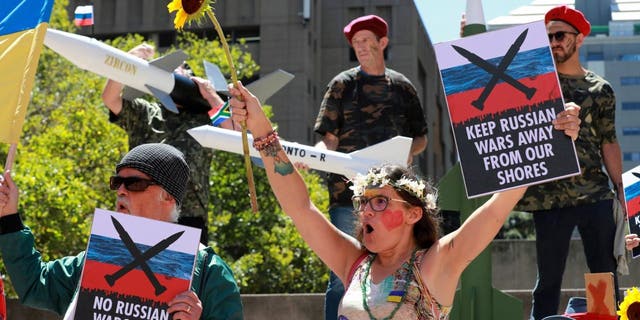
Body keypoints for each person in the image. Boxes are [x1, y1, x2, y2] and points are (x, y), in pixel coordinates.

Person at [227, 81, 580, 319]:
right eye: (363, 202)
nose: (365, 210)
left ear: (413, 214)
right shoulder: (354, 265)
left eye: (380, 202)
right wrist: (260, 127)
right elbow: (300, 208)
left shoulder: (436, 265)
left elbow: (496, 209)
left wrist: (551, 137)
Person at [0, 143, 243, 320]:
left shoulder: (211, 272)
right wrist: (8, 216)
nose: (121, 191)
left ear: (167, 196)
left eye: (135, 184)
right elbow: (35, 284)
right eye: (117, 183)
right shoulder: (96, 258)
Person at [313, 14, 428, 319]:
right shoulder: (341, 85)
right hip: (346, 196)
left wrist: (405, 155)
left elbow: (422, 139)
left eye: (366, 41)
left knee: (400, 269)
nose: (361, 47)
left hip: (394, 198)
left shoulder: (403, 88)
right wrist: (313, 155)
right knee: (342, 273)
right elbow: (329, 139)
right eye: (356, 43)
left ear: (383, 42)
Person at [514, 6, 625, 319]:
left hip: (595, 194)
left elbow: (609, 141)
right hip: (549, 196)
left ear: (579, 40)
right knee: (548, 281)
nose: (553, 42)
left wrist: (620, 191)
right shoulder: (532, 87)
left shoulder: (601, 90)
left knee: (604, 274)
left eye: (559, 35)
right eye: (547, 37)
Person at [102, 43, 235, 245]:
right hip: (138, 212)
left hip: (187, 218)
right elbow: (110, 98)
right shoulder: (145, 113)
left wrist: (211, 96)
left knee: (175, 277)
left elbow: (233, 131)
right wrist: (127, 60)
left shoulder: (205, 118)